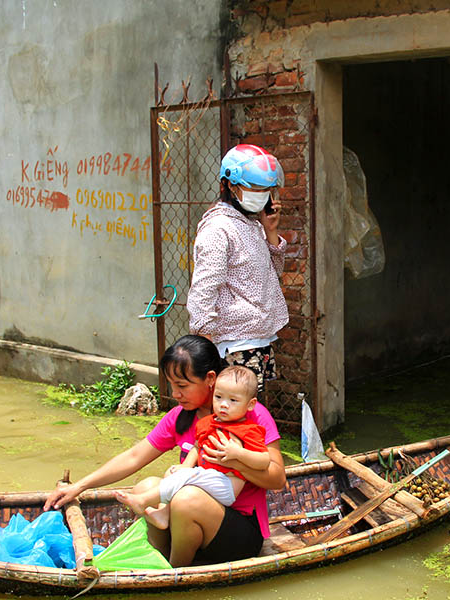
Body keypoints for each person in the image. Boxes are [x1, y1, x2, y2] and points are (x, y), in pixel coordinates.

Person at [43, 335, 286, 567]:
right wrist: (80, 487)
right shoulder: (180, 418)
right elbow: (134, 457)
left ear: (210, 378)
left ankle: (175, 569)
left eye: (182, 385)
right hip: (187, 527)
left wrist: (234, 460)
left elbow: (277, 478)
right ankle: (160, 558)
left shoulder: (251, 417)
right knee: (146, 487)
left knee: (186, 498)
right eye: (172, 385)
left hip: (238, 532)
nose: (175, 394)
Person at [114, 365, 270, 530]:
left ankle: (144, 501)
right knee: (172, 473)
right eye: (218, 397)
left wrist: (239, 454)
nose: (224, 405)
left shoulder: (250, 430)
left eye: (233, 400)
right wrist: (185, 465)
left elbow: (264, 461)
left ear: (251, 404)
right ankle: (164, 513)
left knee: (188, 477)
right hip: (207, 478)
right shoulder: (207, 423)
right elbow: (196, 447)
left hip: (227, 486)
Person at [187, 143, 289, 394]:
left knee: (248, 417)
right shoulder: (218, 228)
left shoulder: (251, 224)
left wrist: (270, 230)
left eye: (266, 190)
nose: (262, 195)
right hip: (233, 345)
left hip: (256, 339)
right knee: (234, 418)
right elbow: (203, 288)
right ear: (230, 185)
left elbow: (273, 273)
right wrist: (206, 343)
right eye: (254, 188)